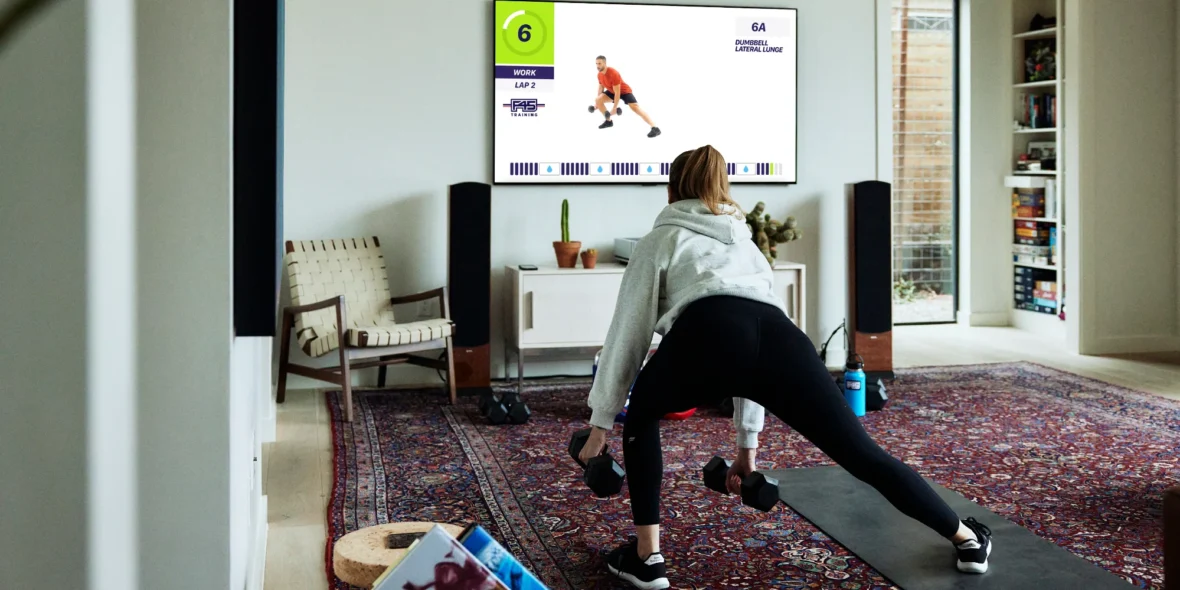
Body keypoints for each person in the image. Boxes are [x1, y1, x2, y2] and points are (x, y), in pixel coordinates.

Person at [577, 145, 994, 589]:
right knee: (860, 452)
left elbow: (629, 334)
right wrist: (746, 450)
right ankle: (967, 539)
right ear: (722, 188)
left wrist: (601, 425)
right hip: (780, 338)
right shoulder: (746, 242)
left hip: (706, 333)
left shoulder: (659, 240)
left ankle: (647, 559)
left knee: (641, 414)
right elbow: (751, 346)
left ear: (671, 189)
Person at [594, 55, 661, 138]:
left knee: (635, 108)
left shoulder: (613, 73)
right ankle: (609, 122)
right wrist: (597, 103)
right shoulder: (599, 75)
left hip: (624, 91)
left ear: (605, 63)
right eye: (596, 63)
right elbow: (601, 87)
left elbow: (617, 92)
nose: (597, 66)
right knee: (598, 100)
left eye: (599, 63)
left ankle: (655, 128)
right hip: (612, 91)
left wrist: (614, 108)